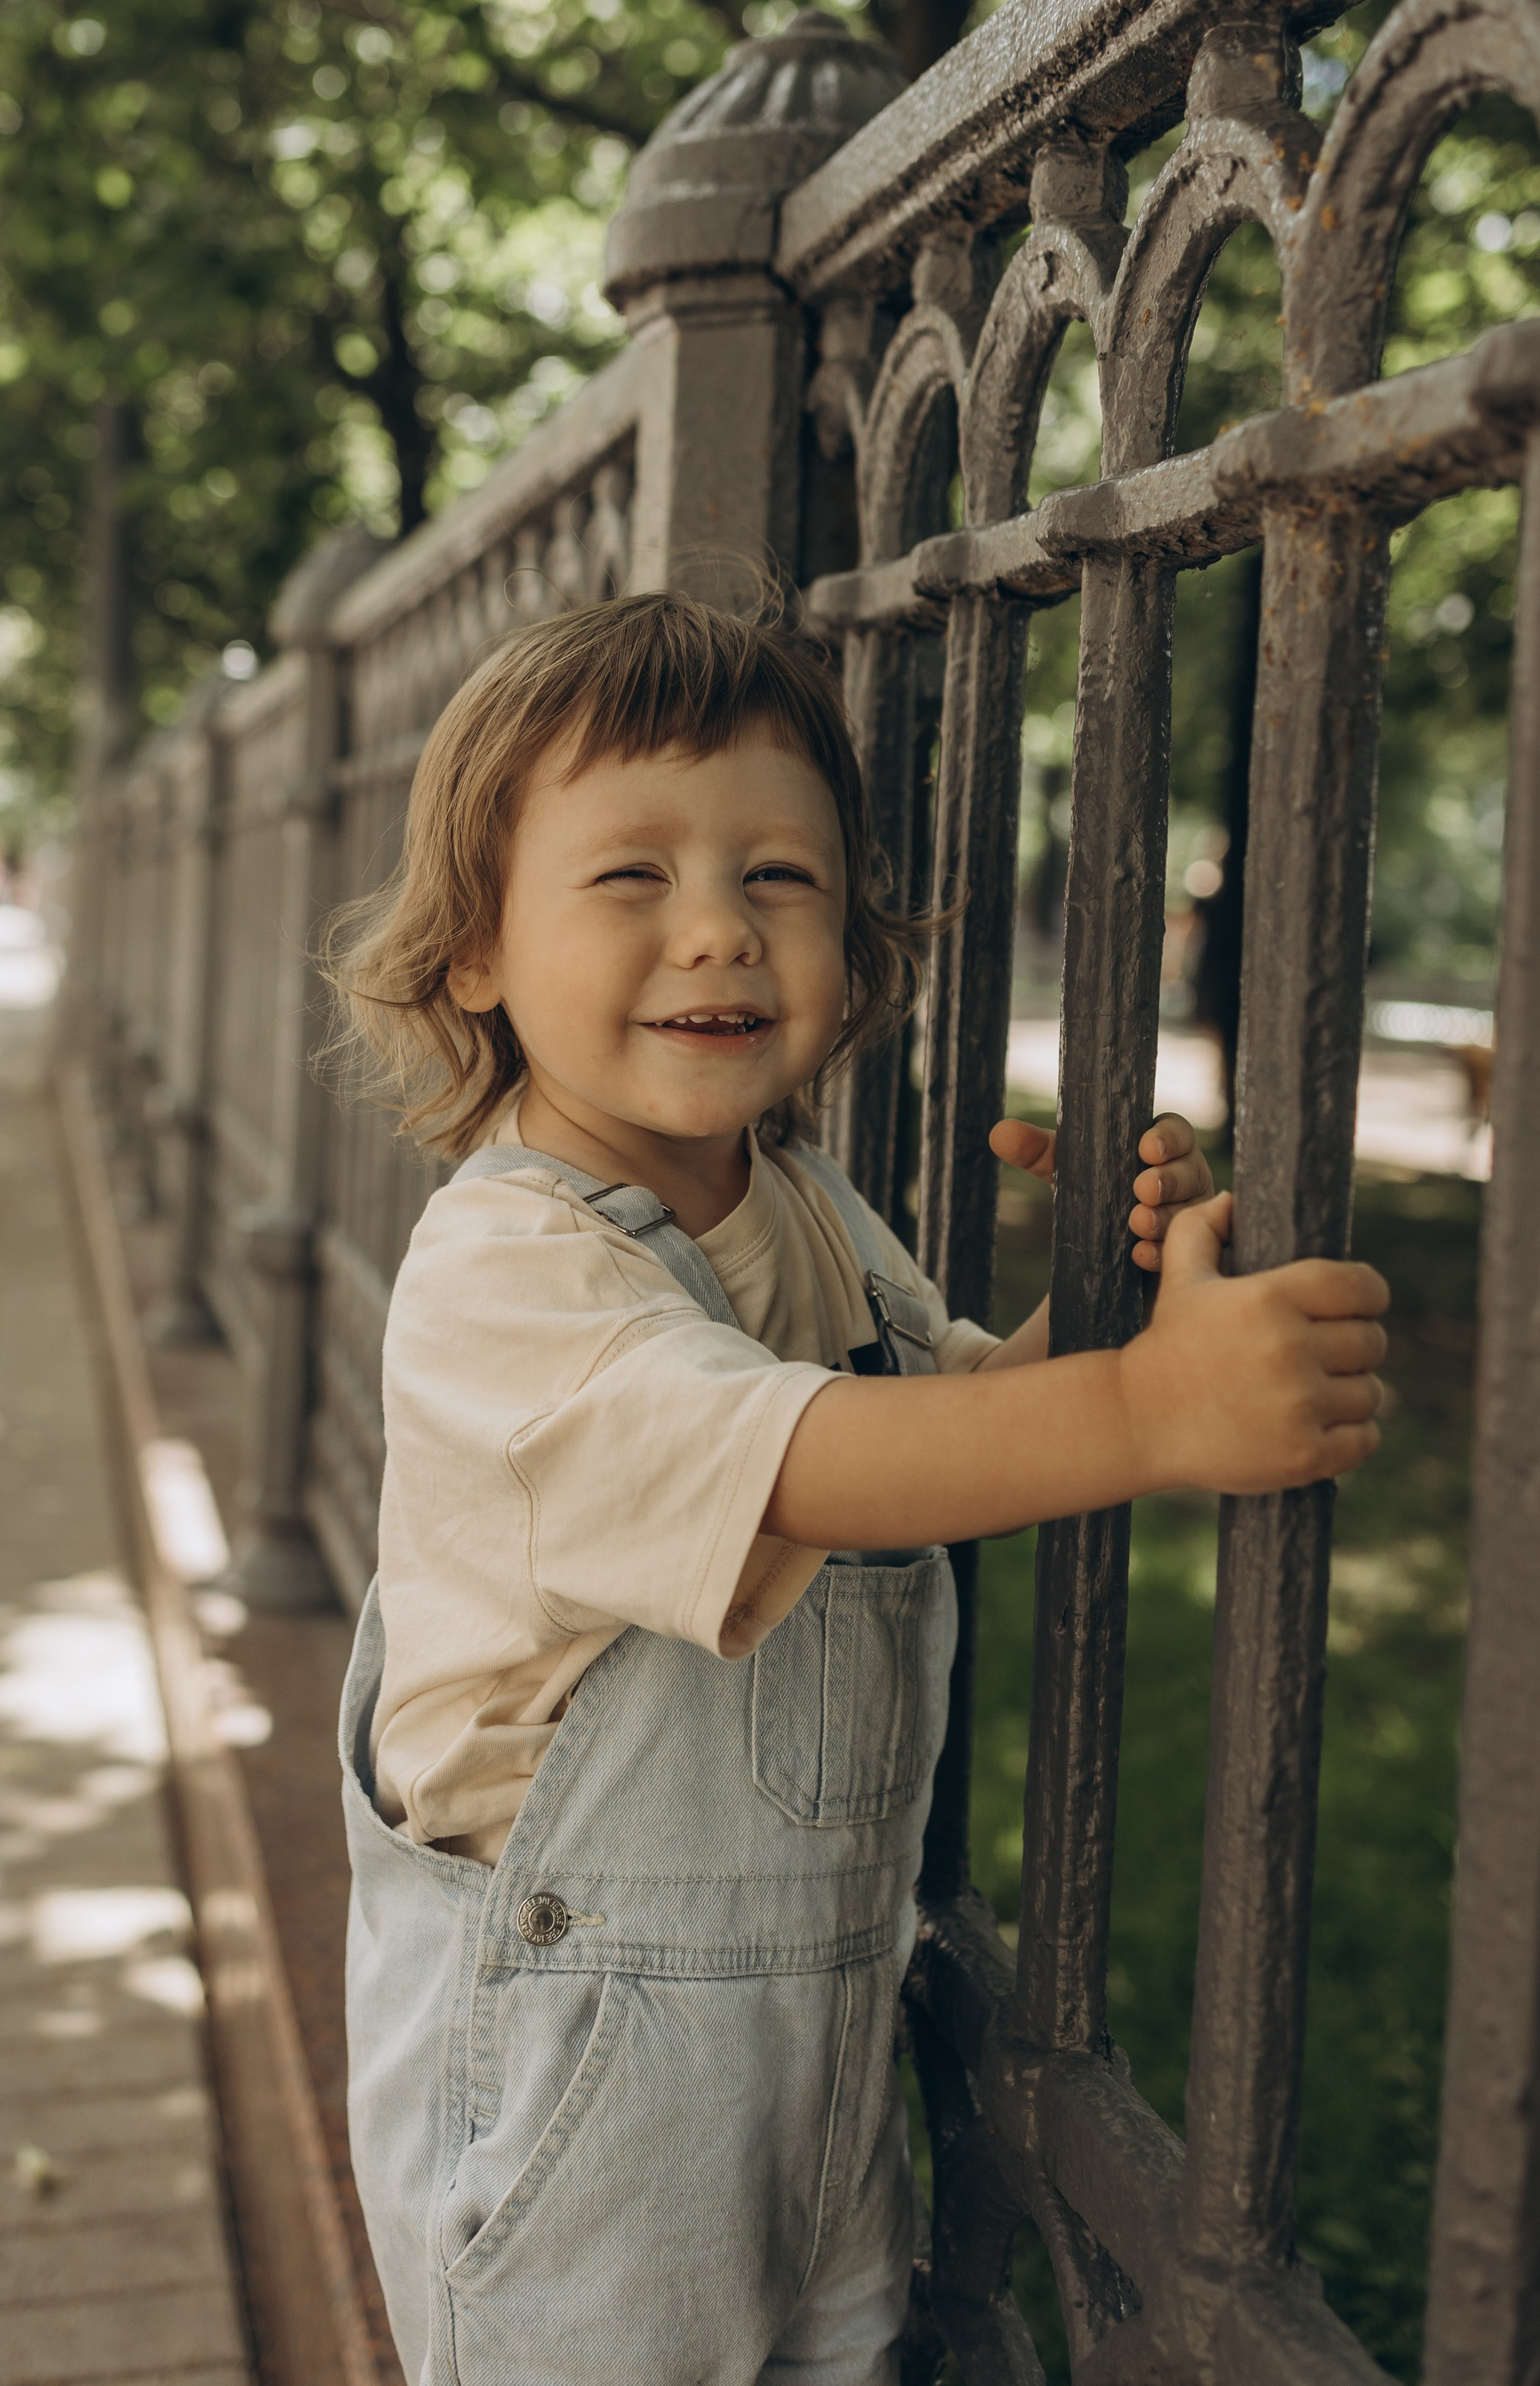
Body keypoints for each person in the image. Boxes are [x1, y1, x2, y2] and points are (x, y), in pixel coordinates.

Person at [329, 589, 1387, 2386]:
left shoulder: (789, 1196)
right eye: (629, 879)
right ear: (473, 954)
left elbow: (946, 1422)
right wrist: (1149, 1413)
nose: (715, 935)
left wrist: (1114, 1319)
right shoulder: (505, 1273)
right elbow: (814, 1462)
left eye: (778, 879)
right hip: (584, 2081)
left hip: (807, 2052)